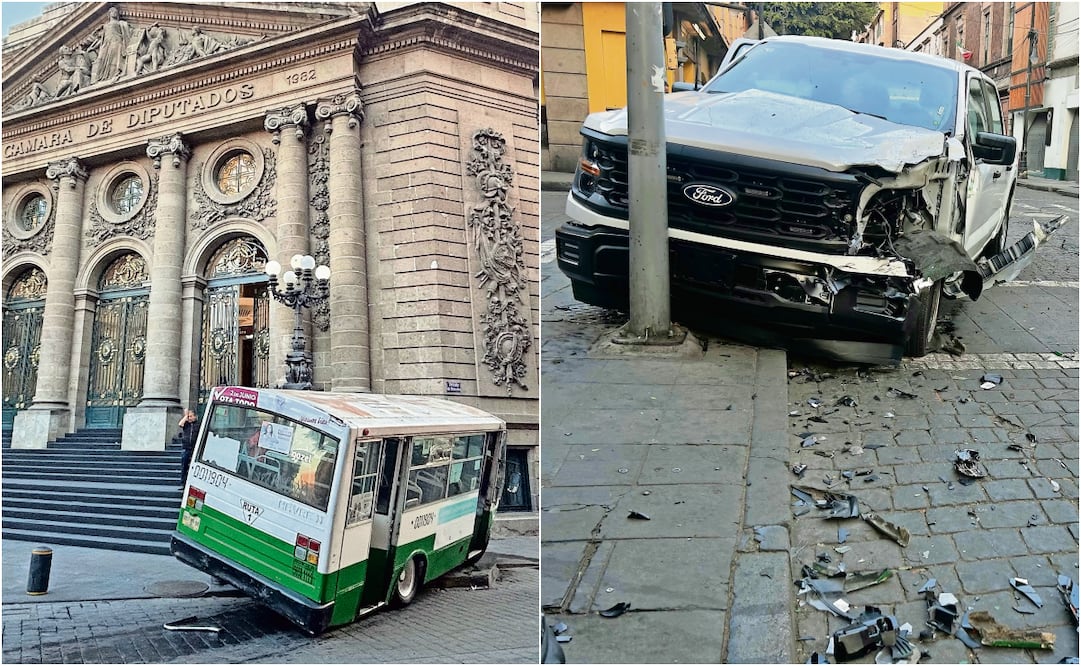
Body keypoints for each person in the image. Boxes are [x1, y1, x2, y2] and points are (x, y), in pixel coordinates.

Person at [178, 409, 198, 488]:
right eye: (188, 416)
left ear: (195, 416)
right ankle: (183, 483)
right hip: (187, 448)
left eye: (191, 416)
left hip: (195, 449)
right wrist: (185, 416)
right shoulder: (186, 424)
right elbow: (180, 424)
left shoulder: (198, 424)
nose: (189, 418)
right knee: (184, 465)